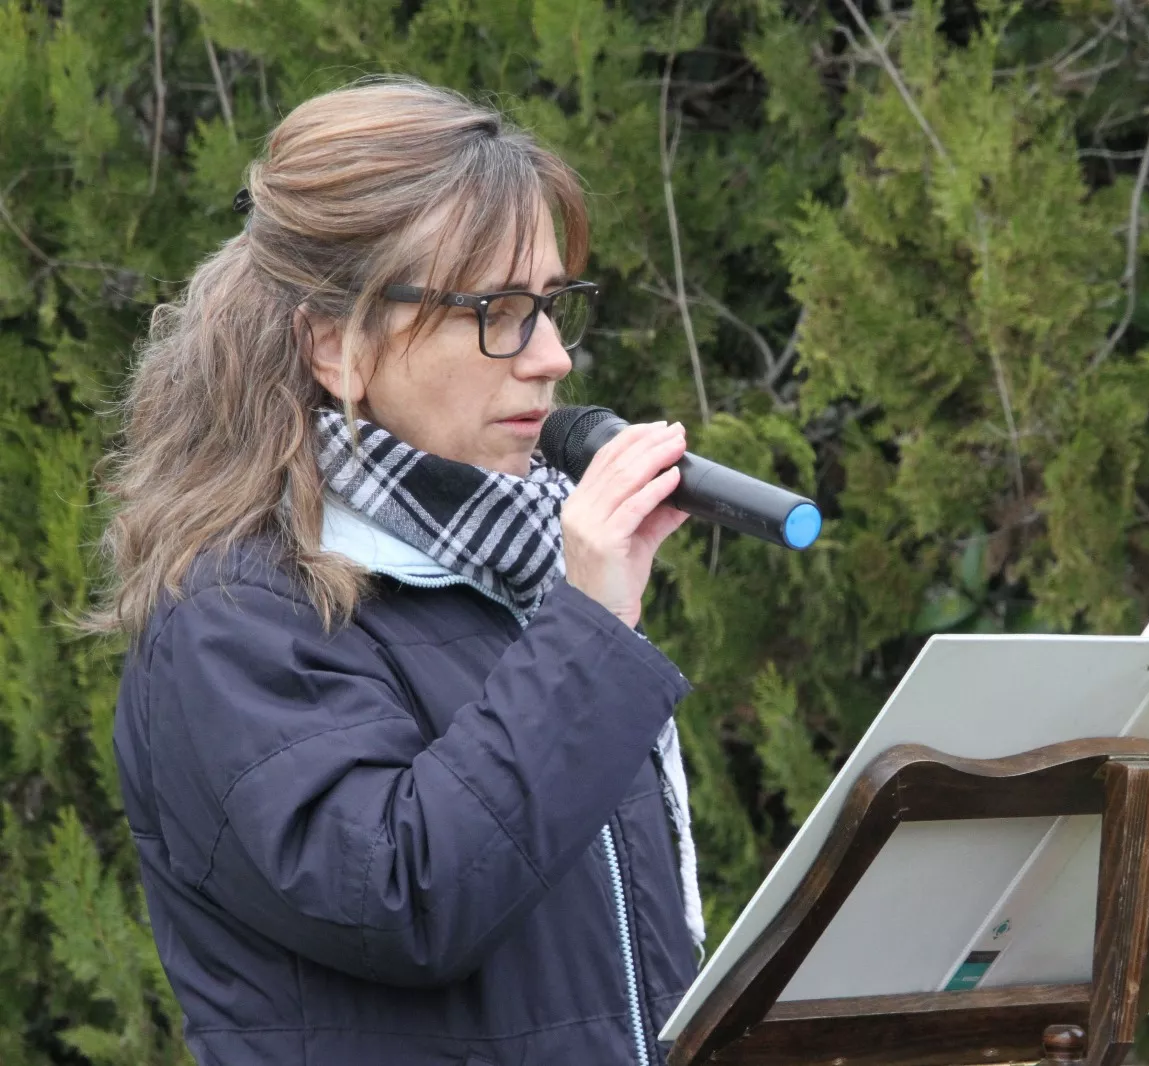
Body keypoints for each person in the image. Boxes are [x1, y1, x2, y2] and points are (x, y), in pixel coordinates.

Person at [90, 77, 704, 1066]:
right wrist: (589, 631)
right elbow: (404, 899)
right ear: (337, 345)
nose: (552, 357)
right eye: (500, 311)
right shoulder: (229, 617)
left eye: (554, 307)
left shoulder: (517, 579)